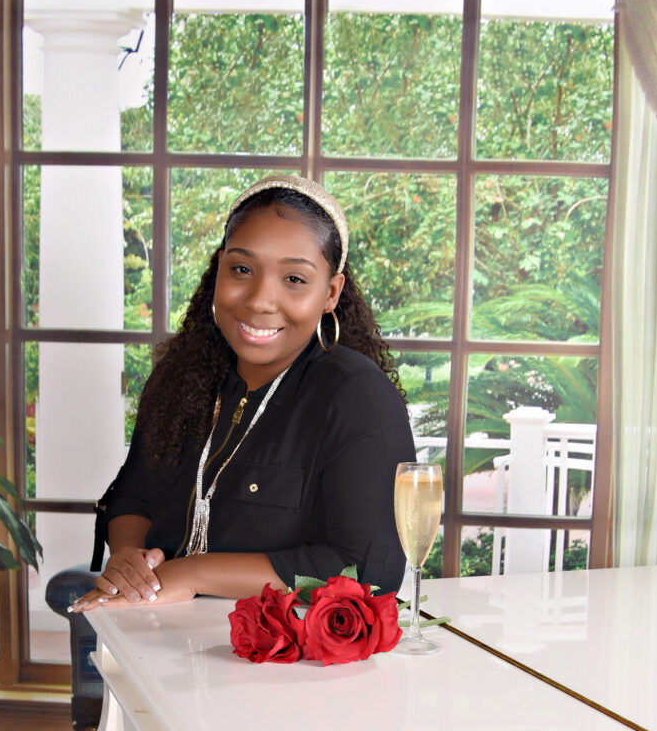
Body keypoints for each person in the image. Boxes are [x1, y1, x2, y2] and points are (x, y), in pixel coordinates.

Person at [71, 174, 415, 613]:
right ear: (219, 269)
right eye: (242, 270)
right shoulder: (179, 377)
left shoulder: (356, 396)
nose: (259, 300)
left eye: (293, 278)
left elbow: (369, 568)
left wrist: (192, 573)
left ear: (330, 292)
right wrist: (128, 560)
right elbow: (132, 496)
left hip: (283, 665)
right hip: (146, 629)